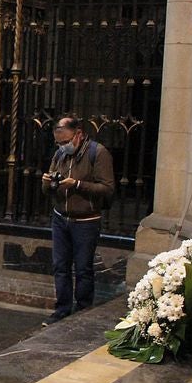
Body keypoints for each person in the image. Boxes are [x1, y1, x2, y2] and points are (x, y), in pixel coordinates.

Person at [41, 114, 115, 325]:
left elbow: (107, 189)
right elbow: (50, 188)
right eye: (59, 143)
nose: (63, 146)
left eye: (66, 141)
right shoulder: (59, 155)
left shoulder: (97, 153)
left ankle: (82, 310)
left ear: (79, 135)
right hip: (60, 218)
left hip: (86, 220)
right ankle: (62, 309)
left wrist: (77, 185)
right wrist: (47, 182)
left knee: (83, 268)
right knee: (60, 266)